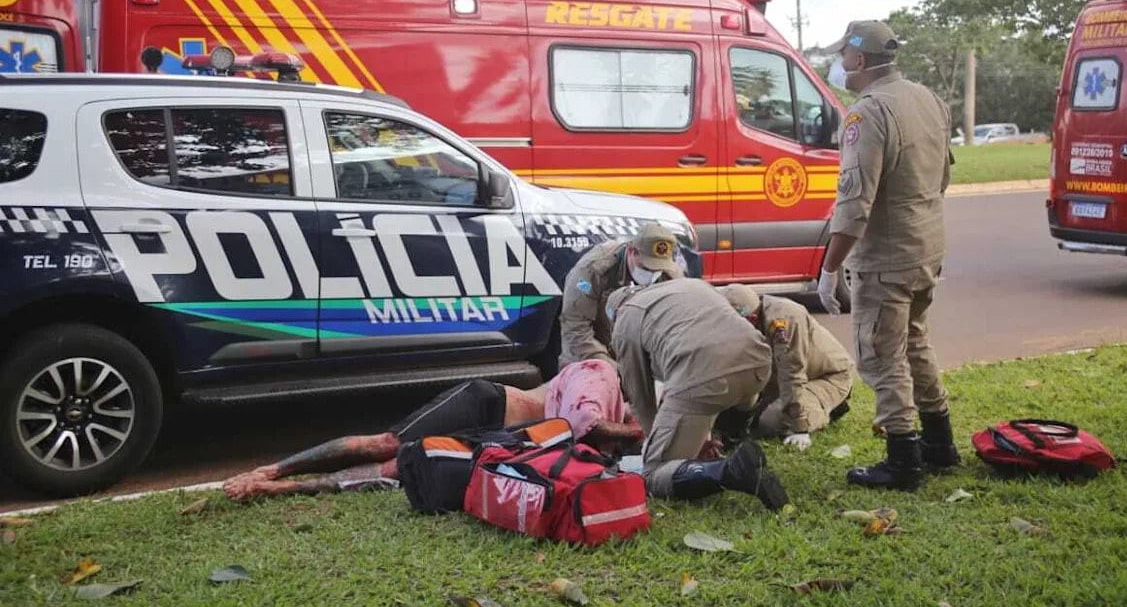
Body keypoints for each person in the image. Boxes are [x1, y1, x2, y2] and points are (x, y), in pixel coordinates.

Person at [817, 19, 960, 491]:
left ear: (858, 59)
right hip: (926, 245)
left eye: (843, 56)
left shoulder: (868, 113)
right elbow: (942, 178)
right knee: (915, 342)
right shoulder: (928, 98)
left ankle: (903, 461)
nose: (840, 64)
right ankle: (939, 443)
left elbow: (854, 205)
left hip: (887, 257)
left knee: (881, 355)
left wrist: (830, 269)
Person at [222, 360, 640, 502]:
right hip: (487, 405)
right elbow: (579, 425)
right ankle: (273, 469)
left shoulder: (622, 404)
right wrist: (636, 433)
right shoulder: (600, 372)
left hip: (499, 440)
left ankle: (276, 488)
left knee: (399, 469)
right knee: (387, 443)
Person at [605, 278, 789, 511]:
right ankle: (735, 437)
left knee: (653, 472)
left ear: (616, 313)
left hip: (709, 380)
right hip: (758, 366)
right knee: (710, 391)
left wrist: (659, 441)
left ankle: (731, 470)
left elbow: (640, 398)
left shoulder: (626, 318)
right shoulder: (689, 285)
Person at [719, 284, 854, 450]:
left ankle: (828, 408)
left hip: (826, 376)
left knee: (770, 421)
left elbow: (792, 373)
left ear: (751, 319)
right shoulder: (744, 322)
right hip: (778, 378)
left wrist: (799, 426)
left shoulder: (784, 320)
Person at [559, 222, 685, 369]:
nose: (651, 274)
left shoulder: (672, 276)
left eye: (657, 270)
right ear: (631, 251)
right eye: (646, 267)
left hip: (634, 352)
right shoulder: (593, 270)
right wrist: (613, 367)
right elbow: (575, 328)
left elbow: (678, 326)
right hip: (588, 353)